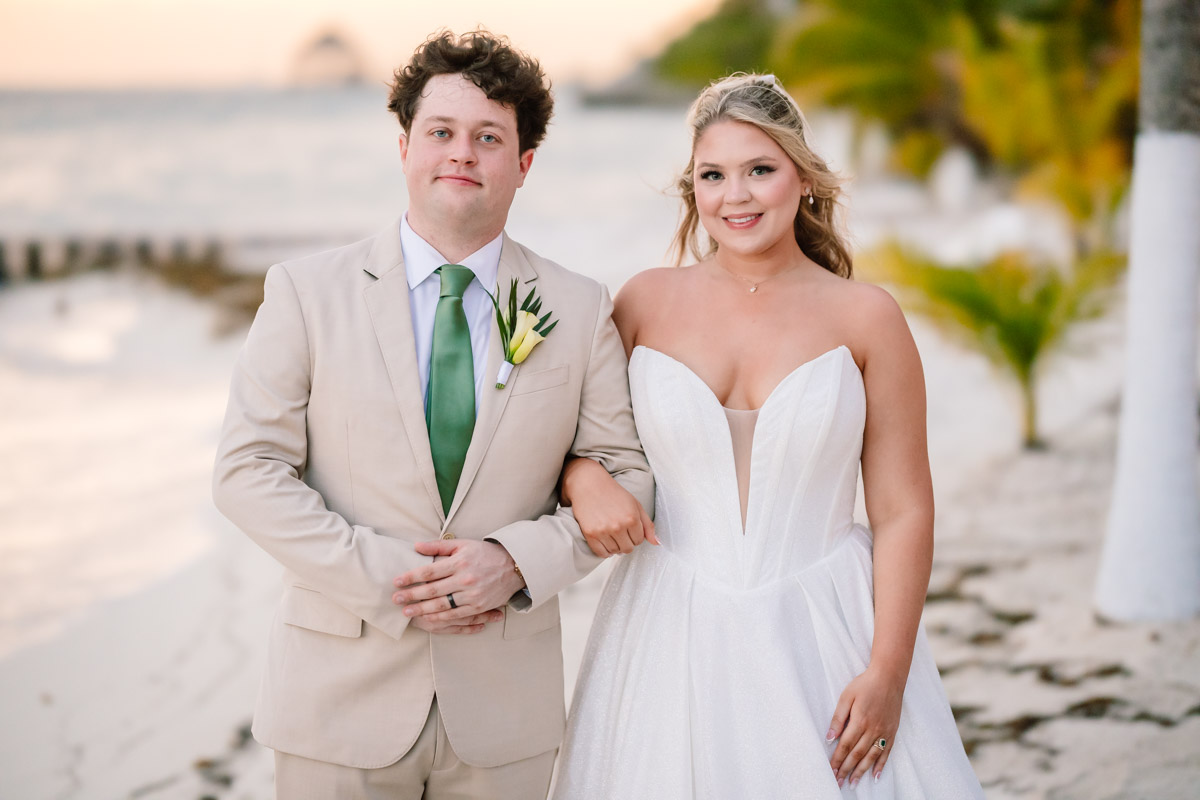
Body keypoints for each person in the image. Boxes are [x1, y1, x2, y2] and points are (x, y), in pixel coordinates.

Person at [212, 30, 653, 800]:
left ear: (523, 165)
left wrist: (514, 562)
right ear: (405, 147)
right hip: (336, 704)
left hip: (504, 713)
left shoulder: (578, 309)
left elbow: (629, 482)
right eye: (441, 132)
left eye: (489, 137)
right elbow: (246, 472)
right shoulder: (305, 292)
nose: (462, 153)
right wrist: (395, 579)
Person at [551, 74, 984, 798]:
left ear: (804, 179)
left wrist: (888, 672)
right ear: (693, 190)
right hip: (666, 625)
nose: (737, 196)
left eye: (760, 170)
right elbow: (570, 436)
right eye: (713, 176)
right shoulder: (642, 303)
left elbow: (904, 509)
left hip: (824, 623)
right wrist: (582, 477)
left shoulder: (867, 317)